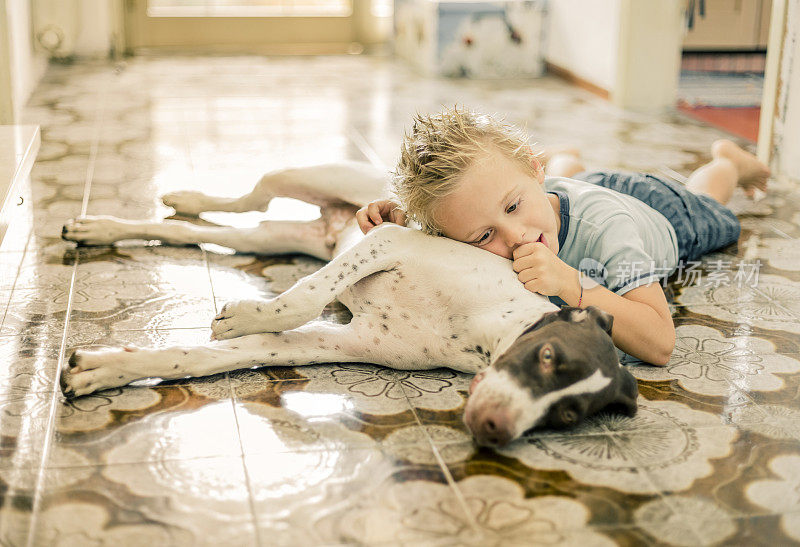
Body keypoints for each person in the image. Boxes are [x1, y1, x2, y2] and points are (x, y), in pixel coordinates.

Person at [355, 108, 770, 366]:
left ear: (533, 170)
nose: (517, 238)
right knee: (563, 189)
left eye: (513, 207)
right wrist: (397, 224)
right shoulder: (514, 202)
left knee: (711, 206)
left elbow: (660, 343)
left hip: (659, 211)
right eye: (484, 236)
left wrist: (572, 283)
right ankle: (565, 163)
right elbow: (446, 238)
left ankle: (728, 162)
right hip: (566, 192)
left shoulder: (611, 232)